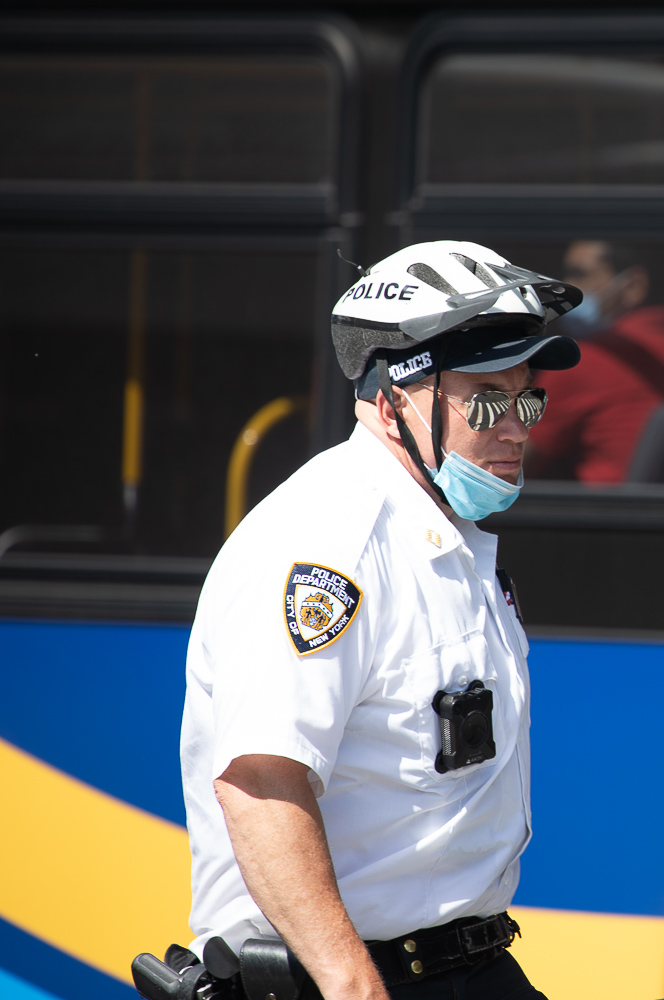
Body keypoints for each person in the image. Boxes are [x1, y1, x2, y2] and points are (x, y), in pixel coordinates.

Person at [181, 241, 583, 1000]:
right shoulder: (326, 545)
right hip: (348, 976)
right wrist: (351, 984)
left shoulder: (447, 531)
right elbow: (262, 783)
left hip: (470, 968)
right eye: (489, 399)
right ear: (397, 396)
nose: (518, 426)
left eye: (529, 398)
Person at [525, 239, 664, 483]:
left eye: (580, 275)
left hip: (608, 518)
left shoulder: (585, 359)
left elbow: (509, 462)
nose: (564, 290)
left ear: (633, 286)